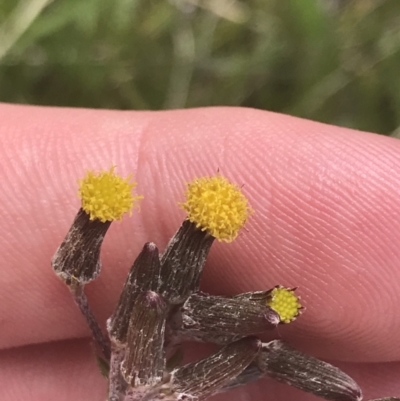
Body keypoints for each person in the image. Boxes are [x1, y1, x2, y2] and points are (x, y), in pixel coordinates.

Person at [0, 103, 399, 401]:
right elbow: (151, 316)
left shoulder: (165, 304)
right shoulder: (142, 301)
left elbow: (162, 314)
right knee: (98, 287)